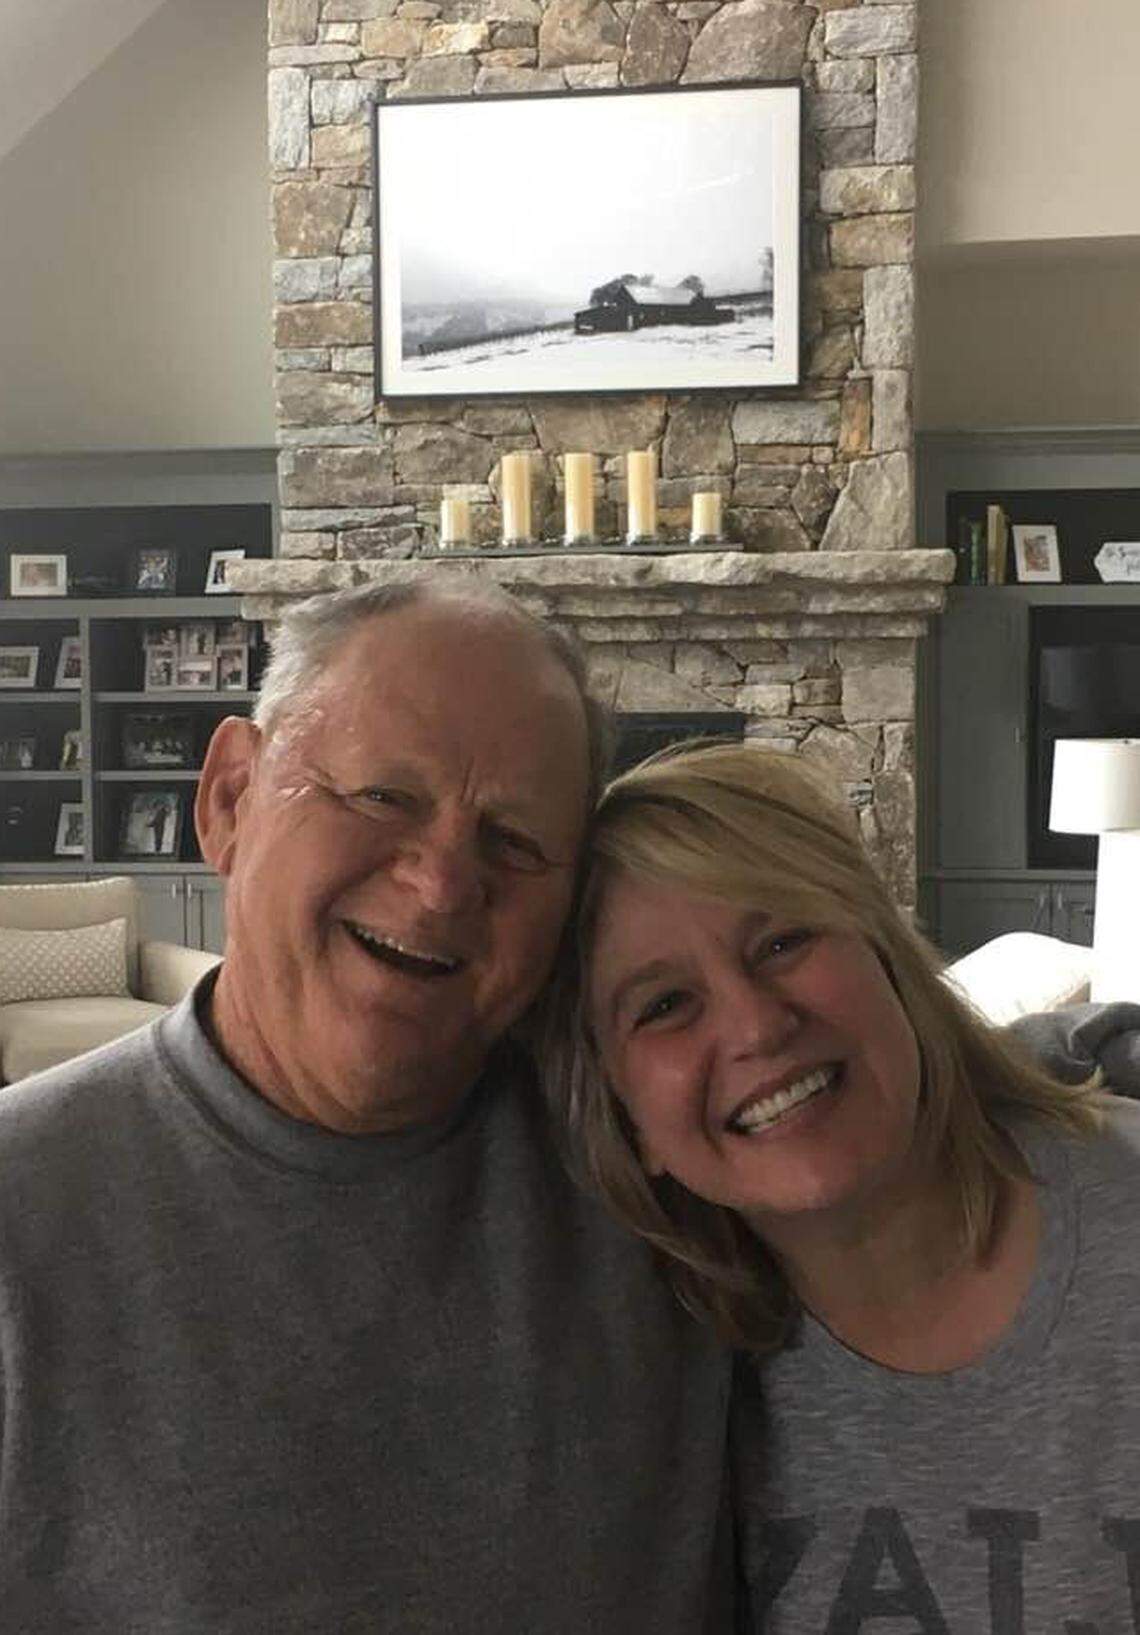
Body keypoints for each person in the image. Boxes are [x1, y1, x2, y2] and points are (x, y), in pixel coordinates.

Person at [0, 583, 733, 1633]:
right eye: (383, 797)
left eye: (515, 843)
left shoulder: (670, 1169)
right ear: (229, 801)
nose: (442, 885)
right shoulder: (22, 1223)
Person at [542, 738, 1140, 1633]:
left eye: (782, 940)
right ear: (627, 1121)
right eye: (664, 1005)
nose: (755, 1024)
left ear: (887, 956)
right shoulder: (648, 1374)